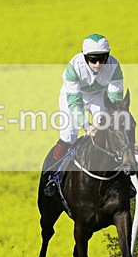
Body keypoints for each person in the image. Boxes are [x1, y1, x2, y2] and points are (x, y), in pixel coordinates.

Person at [43, 33, 125, 196]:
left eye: (102, 59)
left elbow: (115, 101)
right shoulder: (74, 67)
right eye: (92, 59)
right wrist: (87, 126)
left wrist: (105, 120)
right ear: (84, 55)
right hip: (73, 97)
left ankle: (121, 177)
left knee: (108, 130)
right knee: (69, 135)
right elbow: (74, 102)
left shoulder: (114, 66)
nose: (97, 64)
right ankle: (53, 176)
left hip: (98, 96)